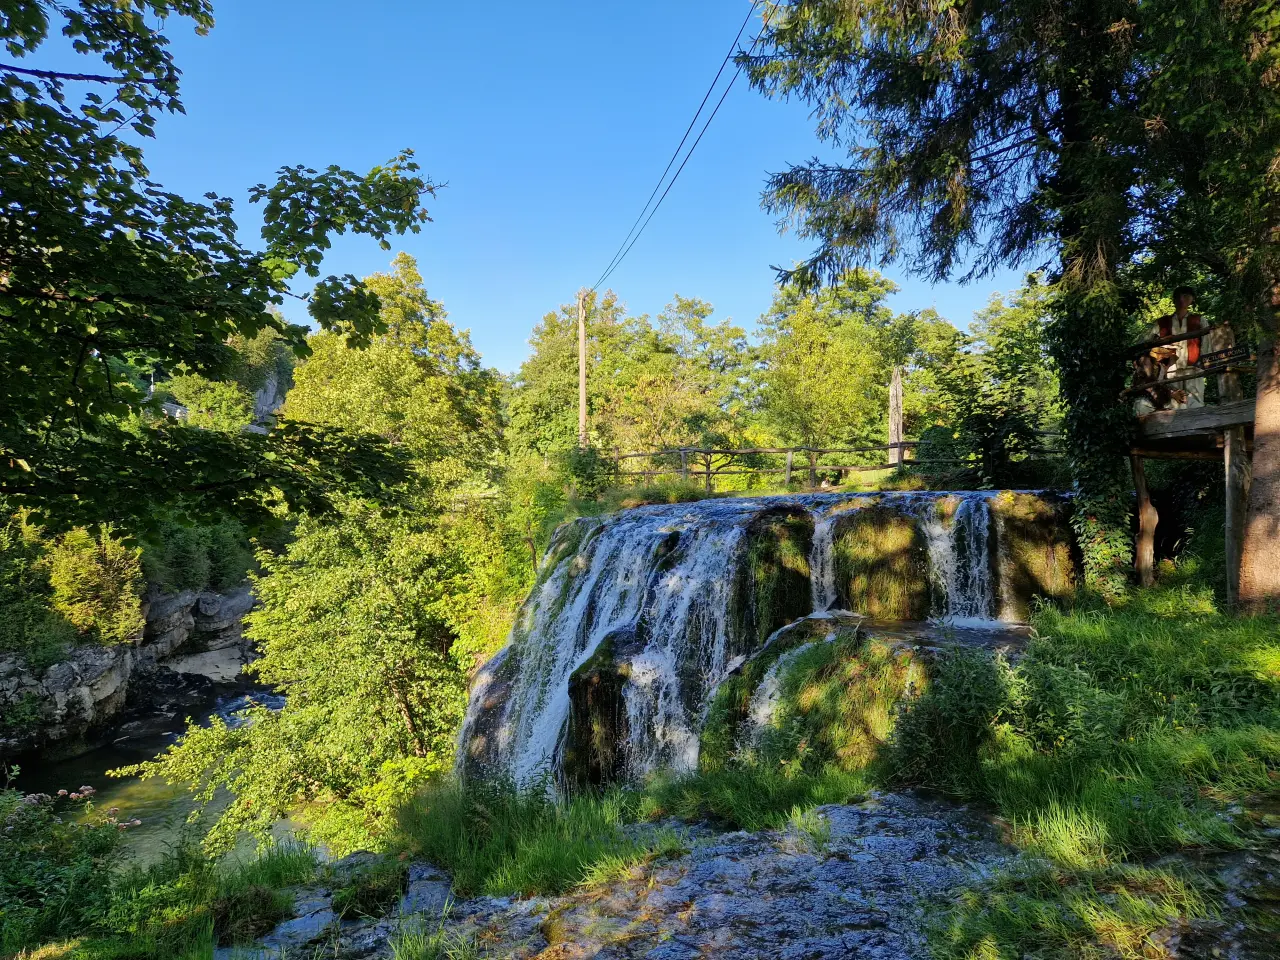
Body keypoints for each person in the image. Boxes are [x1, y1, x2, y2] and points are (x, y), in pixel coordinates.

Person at [1151, 286, 1206, 409]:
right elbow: (1149, 343)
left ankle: (1197, 427)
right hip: (1171, 370)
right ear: (1174, 300)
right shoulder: (1162, 322)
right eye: (1179, 296)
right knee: (1173, 403)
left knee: (1196, 403)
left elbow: (1206, 344)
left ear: (1192, 299)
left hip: (1194, 369)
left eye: (1186, 296)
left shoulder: (1199, 320)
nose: (1182, 299)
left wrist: (1201, 364)